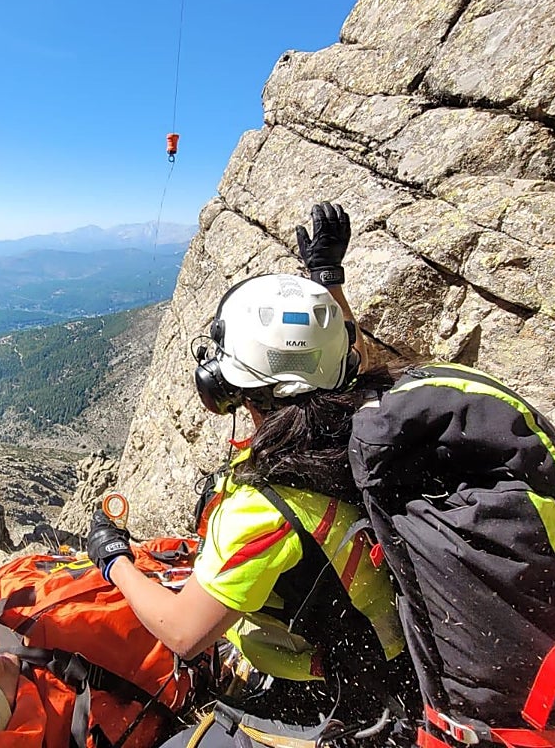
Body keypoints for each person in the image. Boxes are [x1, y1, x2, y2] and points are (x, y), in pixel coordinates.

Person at [86, 203, 416, 747]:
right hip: (384, 653)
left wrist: (113, 557)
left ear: (226, 388)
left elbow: (182, 633)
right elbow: (342, 359)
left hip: (329, 696)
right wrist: (326, 283)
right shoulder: (372, 416)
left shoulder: (265, 512)